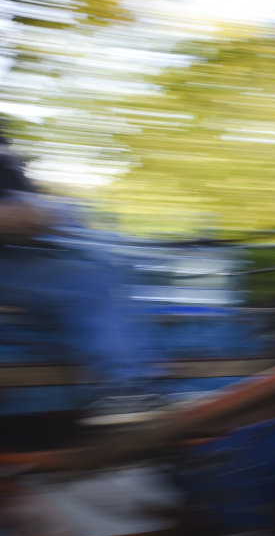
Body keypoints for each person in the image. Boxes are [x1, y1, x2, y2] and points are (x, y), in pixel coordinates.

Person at [0, 123, 161, 417]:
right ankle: (121, 390)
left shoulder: (5, 151)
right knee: (87, 280)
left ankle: (128, 373)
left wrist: (48, 215)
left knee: (113, 256)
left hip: (24, 249)